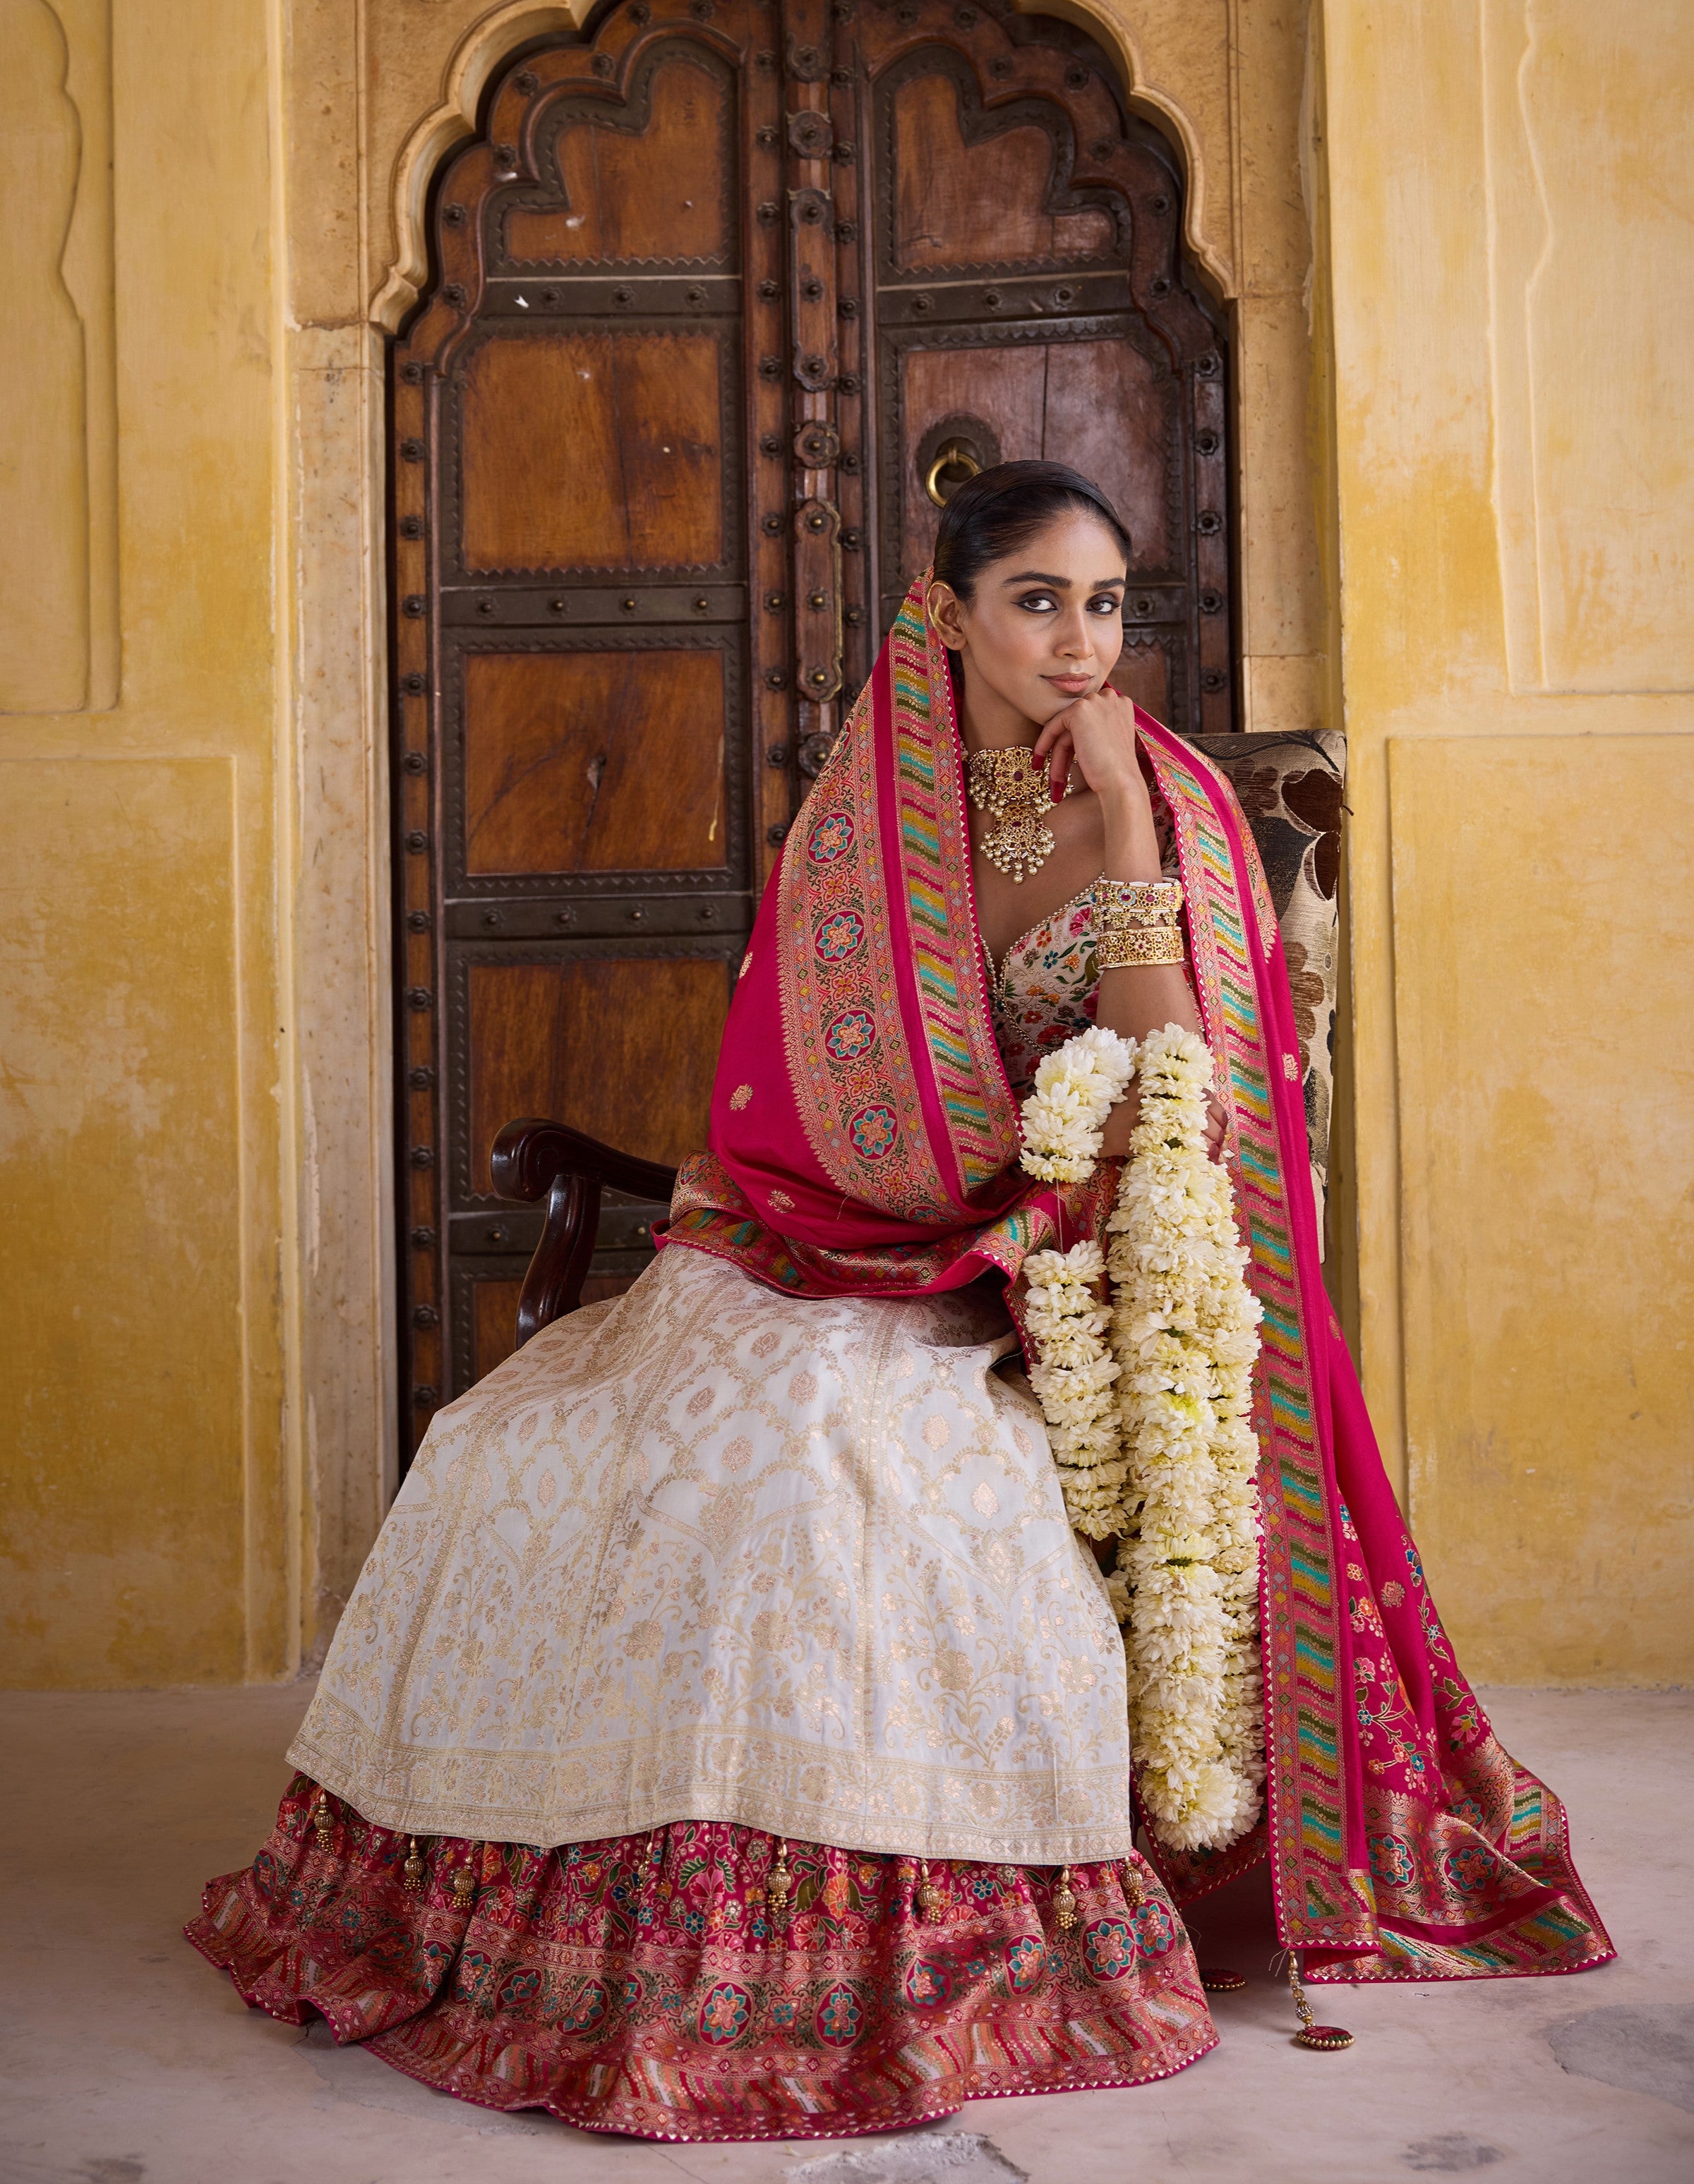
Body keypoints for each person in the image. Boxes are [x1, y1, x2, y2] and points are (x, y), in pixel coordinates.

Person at [188, 463, 1611, 2140]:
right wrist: (821, 1227)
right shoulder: (871, 811)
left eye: (1106, 605)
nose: (1081, 643)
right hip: (815, 1235)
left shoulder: (1170, 805)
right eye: (1038, 601)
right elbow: (789, 1091)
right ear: (947, 611)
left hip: (1025, 1266)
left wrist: (1132, 834)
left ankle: (845, 1936)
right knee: (535, 1443)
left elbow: (1172, 1087)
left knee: (816, 1465)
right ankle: (566, 1912)